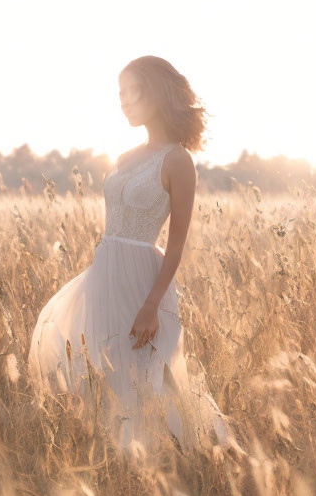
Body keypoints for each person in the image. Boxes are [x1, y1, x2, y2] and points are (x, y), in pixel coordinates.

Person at [27, 55, 234, 455]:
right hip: (106, 276)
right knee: (104, 376)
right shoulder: (125, 157)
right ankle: (119, 468)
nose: (122, 101)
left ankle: (191, 462)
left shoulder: (178, 161)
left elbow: (175, 245)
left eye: (129, 91)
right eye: (118, 93)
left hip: (144, 282)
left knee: (153, 381)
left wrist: (151, 305)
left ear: (154, 93)